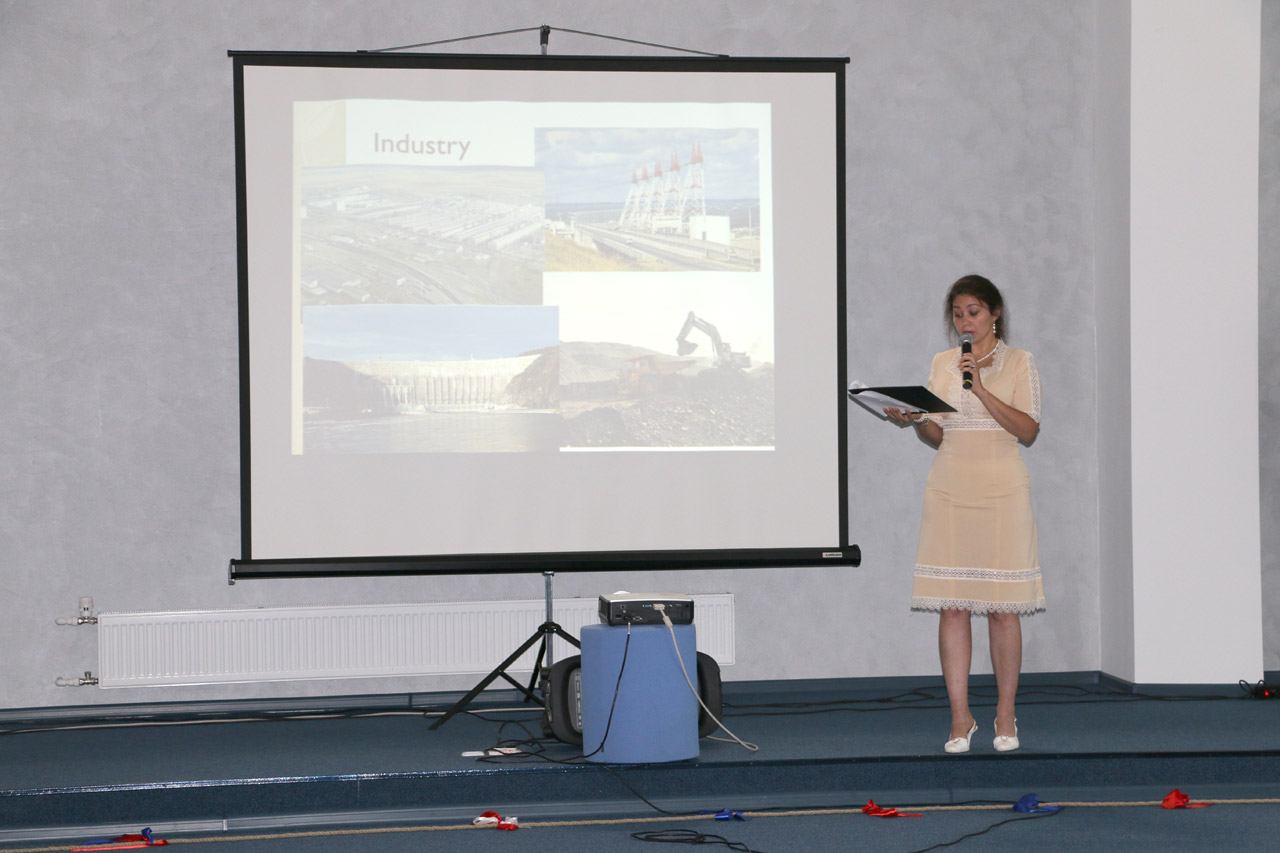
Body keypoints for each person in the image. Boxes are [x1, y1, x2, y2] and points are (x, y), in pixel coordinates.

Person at [884, 274, 1044, 755]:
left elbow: (1028, 430)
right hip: (950, 488)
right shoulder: (942, 363)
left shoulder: (1020, 361)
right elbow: (939, 435)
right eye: (957, 314)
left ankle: (1005, 713)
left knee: (1001, 608)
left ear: (995, 313)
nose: (964, 322)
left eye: (973, 312)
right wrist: (918, 421)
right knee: (953, 605)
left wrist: (982, 390)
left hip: (1002, 491)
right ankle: (961, 717)